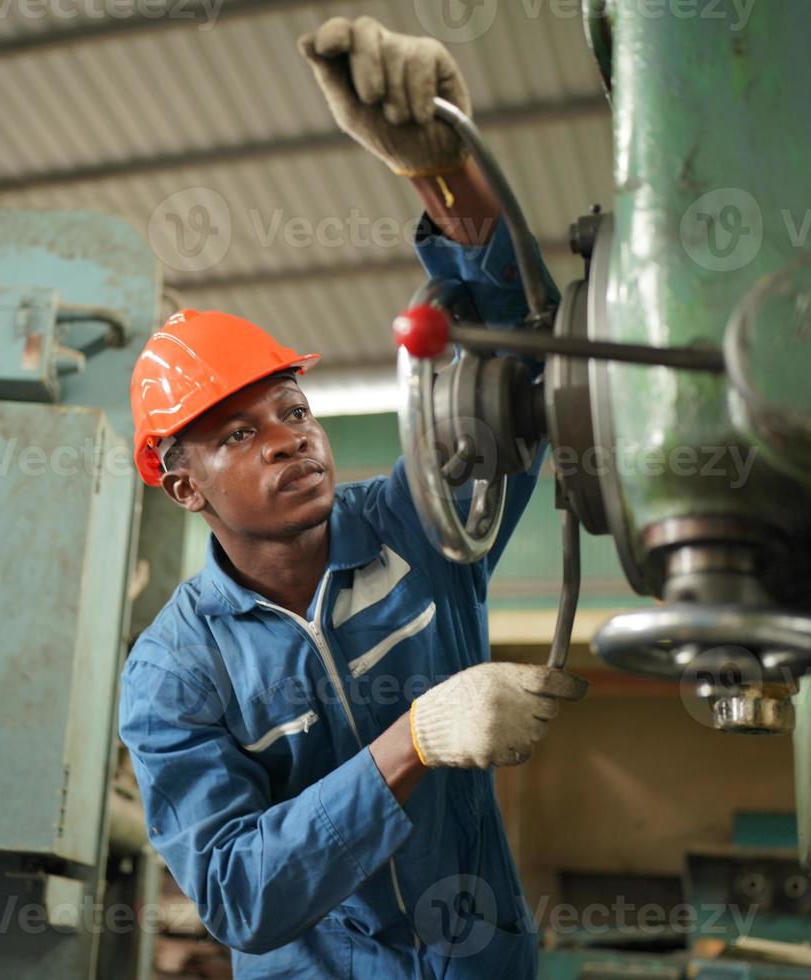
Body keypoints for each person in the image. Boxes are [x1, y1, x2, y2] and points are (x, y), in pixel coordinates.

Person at [118, 16, 588, 978]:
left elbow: (509, 357)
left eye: (293, 408)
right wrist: (411, 741)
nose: (289, 436)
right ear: (182, 485)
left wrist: (445, 178)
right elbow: (240, 893)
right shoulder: (172, 672)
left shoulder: (418, 530)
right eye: (239, 434)